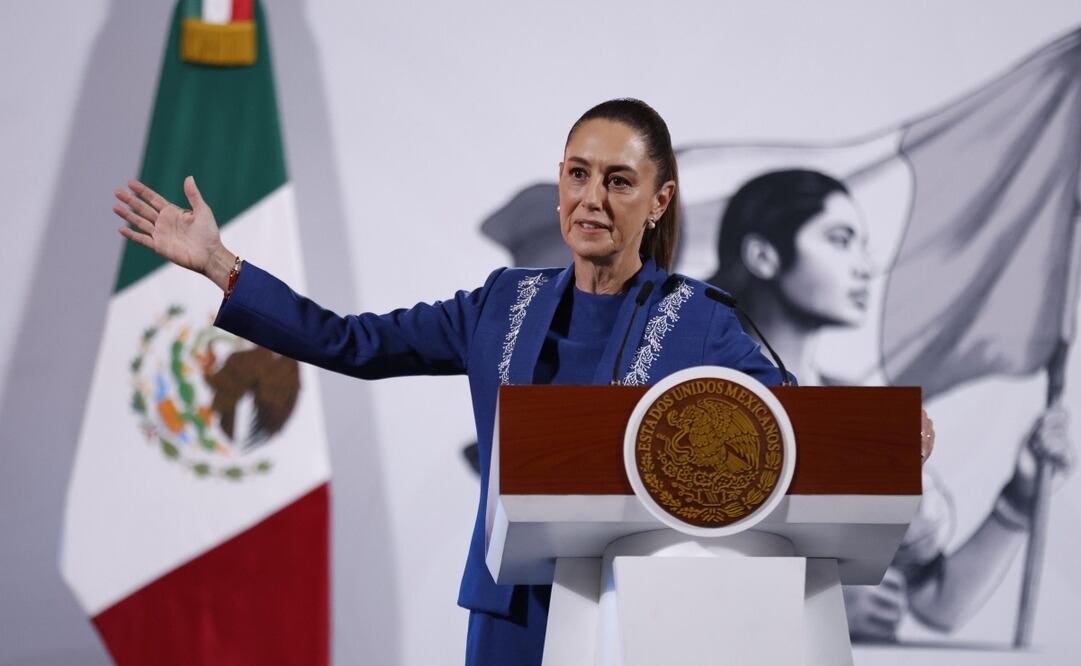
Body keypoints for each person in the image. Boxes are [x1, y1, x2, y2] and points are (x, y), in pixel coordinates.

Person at [112, 98, 791, 665]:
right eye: (577, 174)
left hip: (637, 609)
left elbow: (797, 434)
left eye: (617, 181)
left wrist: (886, 435)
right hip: (510, 613)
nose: (590, 199)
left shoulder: (702, 321)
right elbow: (352, 341)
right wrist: (221, 264)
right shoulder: (501, 303)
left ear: (658, 200)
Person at [708, 168, 1073, 640]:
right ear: (763, 255)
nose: (863, 266)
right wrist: (815, 607)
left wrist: (1020, 499)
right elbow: (646, 581)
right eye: (840, 241)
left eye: (862, 246)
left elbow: (937, 603)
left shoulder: (868, 423)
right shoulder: (684, 402)